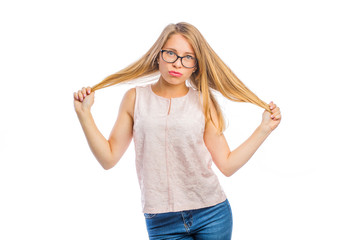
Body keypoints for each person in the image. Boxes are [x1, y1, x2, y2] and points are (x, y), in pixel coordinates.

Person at [73, 22, 281, 240]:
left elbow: (227, 165)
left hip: (212, 213)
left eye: (188, 57)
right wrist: (84, 115)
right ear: (158, 55)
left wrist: (264, 129)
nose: (177, 63)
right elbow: (108, 158)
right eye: (170, 53)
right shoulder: (134, 99)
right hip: (162, 221)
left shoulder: (203, 101)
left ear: (196, 66)